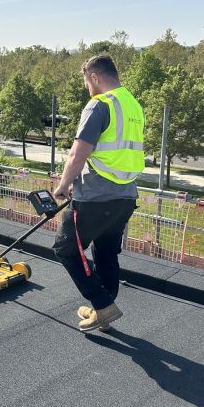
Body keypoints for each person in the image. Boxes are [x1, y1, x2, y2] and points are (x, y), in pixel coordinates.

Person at [53, 55, 145, 333]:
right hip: (125, 197)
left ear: (94, 77)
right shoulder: (133, 105)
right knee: (106, 252)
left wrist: (63, 185)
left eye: (87, 84)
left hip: (95, 196)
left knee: (66, 249)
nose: (88, 90)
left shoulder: (100, 104)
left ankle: (103, 305)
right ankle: (102, 313)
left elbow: (78, 152)